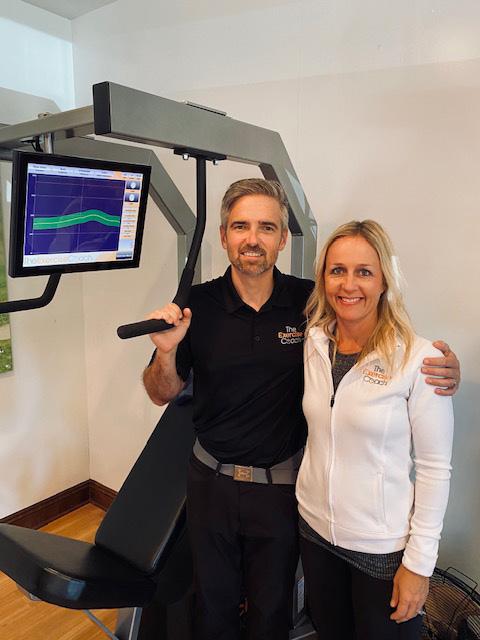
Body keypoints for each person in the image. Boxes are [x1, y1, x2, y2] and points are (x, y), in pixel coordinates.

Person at [142, 181, 460, 640]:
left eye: (267, 227)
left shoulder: (310, 304)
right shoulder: (196, 305)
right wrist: (166, 352)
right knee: (211, 607)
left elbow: (375, 337)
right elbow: (160, 393)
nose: (253, 238)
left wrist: (440, 365)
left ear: (282, 239)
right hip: (212, 482)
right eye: (241, 226)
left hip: (281, 490)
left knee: (272, 612)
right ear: (224, 236)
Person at [296, 219, 455, 640]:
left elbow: (435, 469)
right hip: (314, 532)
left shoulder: (420, 360)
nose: (349, 285)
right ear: (323, 278)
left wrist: (419, 565)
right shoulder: (313, 341)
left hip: (381, 550)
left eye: (364, 272)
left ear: (384, 280)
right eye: (337, 270)